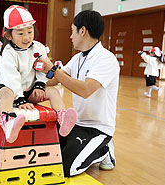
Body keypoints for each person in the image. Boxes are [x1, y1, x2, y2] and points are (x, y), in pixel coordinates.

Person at [39, 10, 120, 176]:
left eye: (72, 31)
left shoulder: (106, 59)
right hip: (77, 123)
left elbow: (85, 90)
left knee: (67, 168)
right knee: (47, 155)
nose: (71, 36)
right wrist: (30, 81)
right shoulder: (78, 58)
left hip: (98, 128)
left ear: (82, 31)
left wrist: (53, 68)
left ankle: (105, 149)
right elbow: (56, 79)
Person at [0, 5, 77, 143]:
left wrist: (40, 85)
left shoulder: (38, 47)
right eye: (20, 33)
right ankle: (8, 123)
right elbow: (10, 77)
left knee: (54, 91)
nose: (26, 37)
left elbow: (43, 69)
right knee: (6, 94)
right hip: (10, 89)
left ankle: (62, 118)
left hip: (29, 91)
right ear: (8, 35)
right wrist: (19, 99)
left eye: (30, 32)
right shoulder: (8, 52)